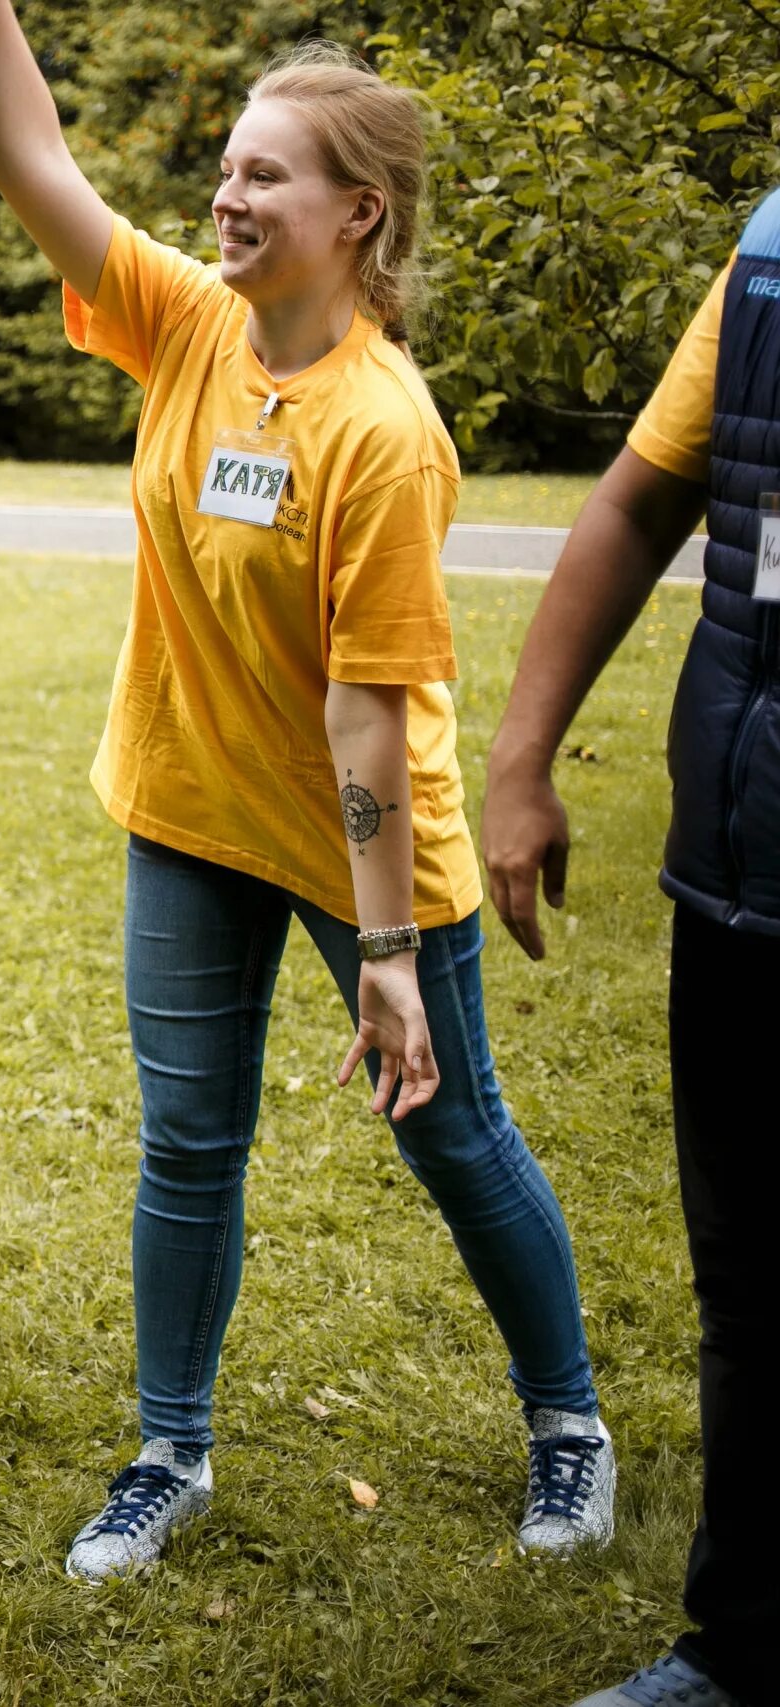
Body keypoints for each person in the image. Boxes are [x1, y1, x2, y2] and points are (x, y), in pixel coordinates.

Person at [0, 9, 610, 1579]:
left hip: (361, 846)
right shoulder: (185, 322)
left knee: (454, 1133)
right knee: (188, 1138)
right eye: (224, 169)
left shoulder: (385, 432)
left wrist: (385, 955)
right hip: (186, 811)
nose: (226, 200)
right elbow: (25, 155)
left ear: (357, 213)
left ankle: (569, 1420)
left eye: (266, 178)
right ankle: (169, 1448)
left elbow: (368, 709)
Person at [483, 211, 773, 1707]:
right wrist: (522, 757)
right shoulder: (771, 257)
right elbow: (639, 502)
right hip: (742, 868)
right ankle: (741, 1655)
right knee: (746, 1276)